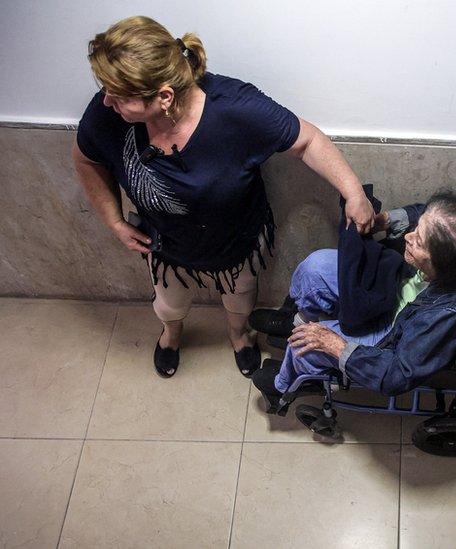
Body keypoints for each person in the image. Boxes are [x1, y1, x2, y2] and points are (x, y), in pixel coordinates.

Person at [72, 16, 375, 378]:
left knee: (240, 301)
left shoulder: (236, 108)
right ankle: (170, 335)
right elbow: (85, 158)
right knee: (169, 306)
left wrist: (354, 192)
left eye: (119, 97)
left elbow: (307, 140)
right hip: (166, 245)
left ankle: (239, 337)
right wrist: (114, 221)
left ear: (164, 96)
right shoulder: (108, 113)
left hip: (236, 242)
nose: (106, 102)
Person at [251, 191, 456, 405]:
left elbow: (399, 374)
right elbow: (425, 213)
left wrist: (336, 346)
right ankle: (298, 321)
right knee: (314, 268)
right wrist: (384, 220)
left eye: (418, 241)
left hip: (395, 331)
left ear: (441, 265)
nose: (407, 237)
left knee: (304, 347)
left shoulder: (445, 317)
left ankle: (283, 386)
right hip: (396, 283)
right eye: (416, 230)